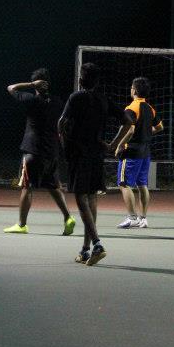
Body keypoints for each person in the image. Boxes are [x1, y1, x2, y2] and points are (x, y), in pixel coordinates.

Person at [58, 62, 121, 266]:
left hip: (79, 154)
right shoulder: (103, 99)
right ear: (97, 81)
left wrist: (65, 146)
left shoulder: (75, 97)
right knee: (92, 198)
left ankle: (97, 244)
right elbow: (129, 120)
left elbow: (61, 123)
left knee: (81, 199)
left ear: (80, 79)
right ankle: (86, 250)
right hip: (97, 155)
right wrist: (113, 145)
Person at [4, 68, 76, 236]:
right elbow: (64, 126)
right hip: (52, 151)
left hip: (33, 151)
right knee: (54, 187)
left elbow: (11, 88)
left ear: (37, 84)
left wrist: (31, 84)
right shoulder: (58, 102)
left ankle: (22, 225)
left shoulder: (31, 99)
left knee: (27, 187)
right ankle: (68, 217)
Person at [109, 77, 164, 229]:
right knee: (142, 185)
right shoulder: (150, 108)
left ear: (134, 90)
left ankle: (132, 217)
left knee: (124, 184)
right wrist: (145, 132)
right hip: (145, 152)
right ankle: (143, 218)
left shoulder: (132, 107)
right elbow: (160, 127)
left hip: (131, 151)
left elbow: (130, 130)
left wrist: (120, 145)